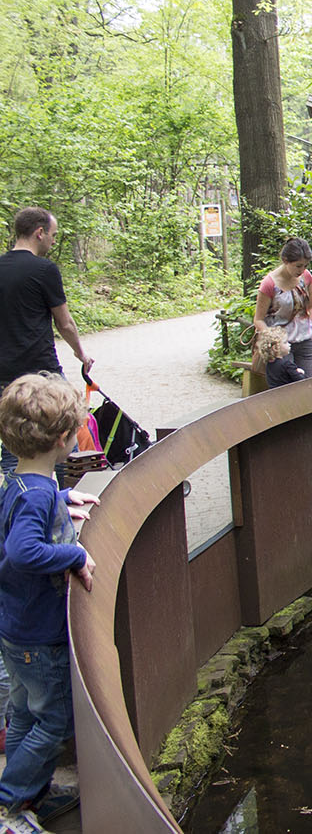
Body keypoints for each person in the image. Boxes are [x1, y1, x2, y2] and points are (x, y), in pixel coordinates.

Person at [0, 373, 99, 831]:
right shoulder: (35, 495)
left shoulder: (20, 483)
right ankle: (11, 804)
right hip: (38, 635)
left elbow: (23, 522)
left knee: (22, 711)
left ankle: (30, 793)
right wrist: (74, 551)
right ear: (64, 439)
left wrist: (62, 499)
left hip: (16, 629)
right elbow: (24, 551)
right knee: (54, 720)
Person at [0, 207, 94, 477]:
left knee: (14, 446)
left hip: (4, 377)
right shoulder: (44, 270)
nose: (53, 241)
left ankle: (15, 505)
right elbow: (64, 323)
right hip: (41, 373)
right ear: (39, 233)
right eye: (52, 235)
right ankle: (69, 503)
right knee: (63, 436)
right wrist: (81, 355)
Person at [254, 238, 312, 380]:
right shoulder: (269, 284)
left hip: (305, 340)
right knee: (288, 388)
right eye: (298, 266)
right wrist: (273, 340)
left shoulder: (306, 277)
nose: (302, 270)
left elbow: (311, 306)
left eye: (305, 266)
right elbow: (258, 319)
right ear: (285, 260)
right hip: (281, 346)